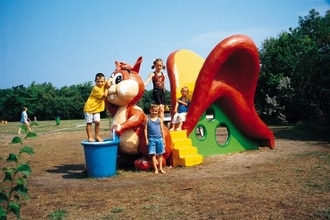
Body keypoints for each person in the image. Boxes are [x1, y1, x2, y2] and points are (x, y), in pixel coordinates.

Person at [83, 72, 110, 142]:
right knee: (89, 123)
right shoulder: (96, 88)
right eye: (98, 81)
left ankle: (97, 136)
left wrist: (109, 82)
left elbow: (110, 80)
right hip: (90, 108)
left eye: (102, 81)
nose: (100, 83)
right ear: (95, 81)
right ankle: (90, 137)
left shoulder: (104, 82)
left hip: (97, 109)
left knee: (97, 122)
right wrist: (107, 88)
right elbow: (104, 97)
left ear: (104, 81)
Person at [144, 104, 166, 174]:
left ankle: (160, 168)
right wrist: (146, 139)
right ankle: (155, 169)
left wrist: (164, 139)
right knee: (153, 154)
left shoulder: (159, 120)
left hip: (159, 139)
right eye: (153, 111)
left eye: (156, 111)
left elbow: (162, 129)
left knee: (160, 154)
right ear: (150, 110)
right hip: (151, 139)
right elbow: (145, 129)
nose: (154, 112)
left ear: (158, 112)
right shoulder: (147, 119)